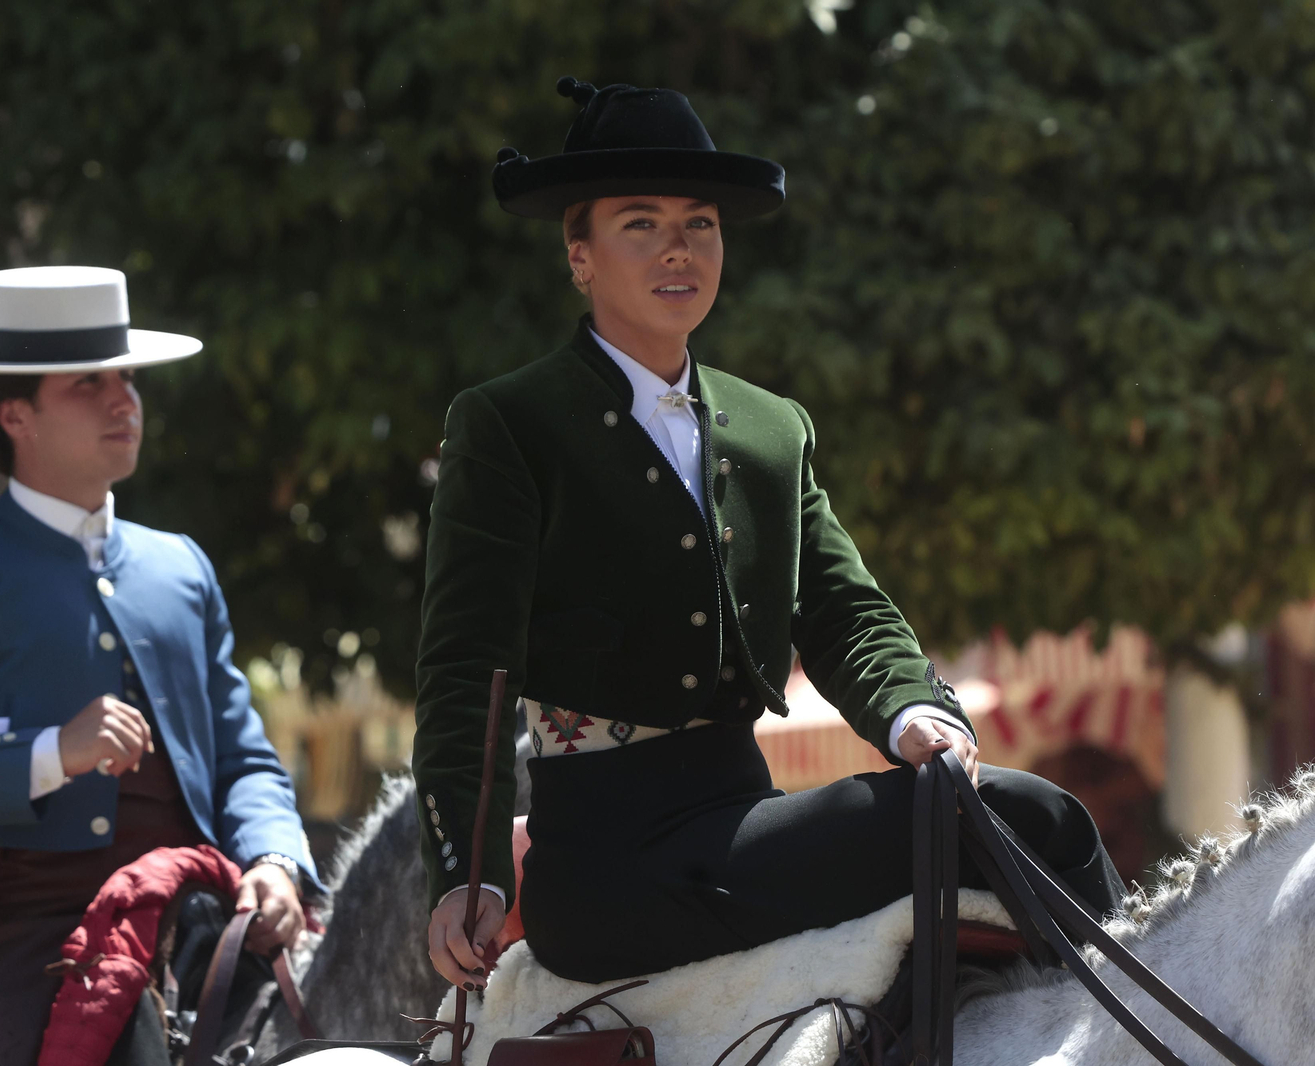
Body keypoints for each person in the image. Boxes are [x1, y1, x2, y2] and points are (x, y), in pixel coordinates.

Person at [414, 79, 1124, 988]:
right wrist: (462, 873)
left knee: (997, 803)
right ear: (579, 253)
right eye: (642, 223)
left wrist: (916, 714)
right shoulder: (509, 423)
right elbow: (464, 669)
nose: (679, 248)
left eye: (700, 224)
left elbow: (842, 608)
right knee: (1033, 817)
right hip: (607, 869)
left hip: (747, 821)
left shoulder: (770, 426)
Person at [0, 266, 321, 1064]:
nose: (123, 400)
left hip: (203, 913)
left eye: (128, 378)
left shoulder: (182, 566)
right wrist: (47, 754)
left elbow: (244, 761)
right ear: (14, 413)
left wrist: (276, 859)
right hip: (32, 937)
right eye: (88, 383)